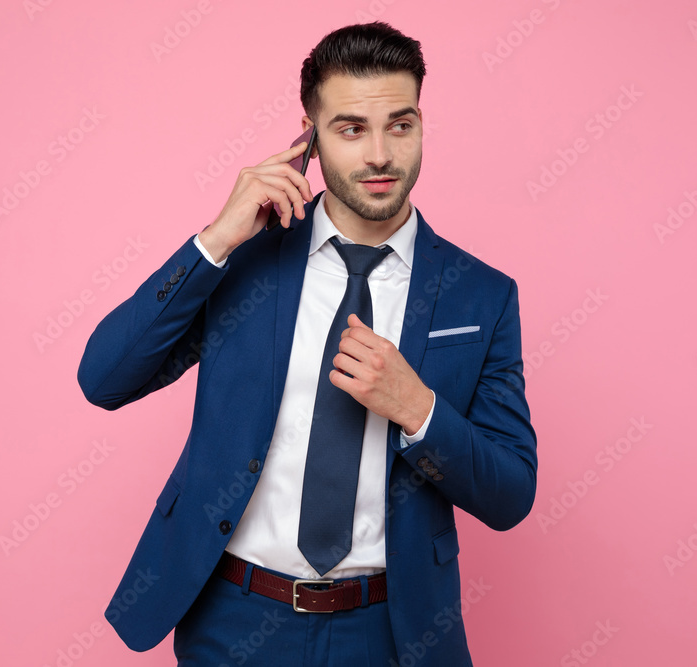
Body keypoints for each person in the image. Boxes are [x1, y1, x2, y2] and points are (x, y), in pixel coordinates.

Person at [77, 21, 537, 666]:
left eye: (400, 125)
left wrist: (418, 410)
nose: (379, 154)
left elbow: (511, 494)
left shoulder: (481, 296)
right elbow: (104, 380)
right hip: (232, 620)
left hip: (391, 631)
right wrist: (216, 239)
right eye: (351, 129)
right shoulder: (244, 263)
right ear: (309, 136)